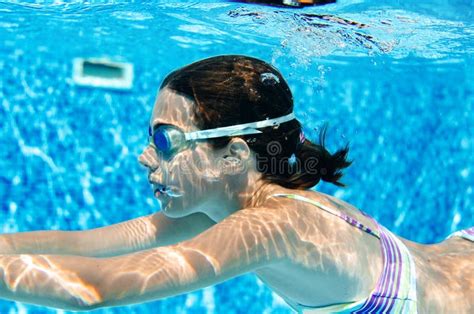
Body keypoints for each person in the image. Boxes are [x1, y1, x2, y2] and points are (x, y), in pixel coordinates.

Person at [0, 55, 472, 313]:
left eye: (166, 140)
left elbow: (91, 288)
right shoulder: (227, 206)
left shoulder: (273, 226)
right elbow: (89, 246)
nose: (145, 158)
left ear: (232, 155)